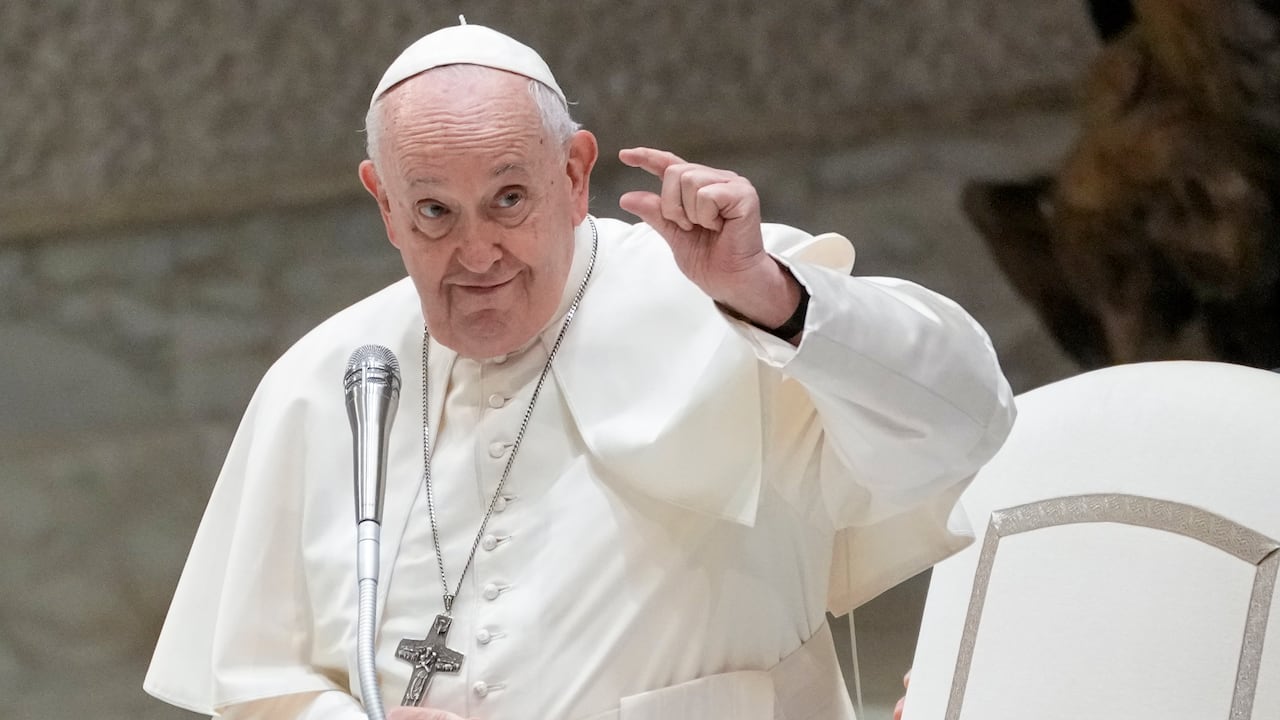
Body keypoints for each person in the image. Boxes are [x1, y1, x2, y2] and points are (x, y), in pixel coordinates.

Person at [144, 21, 1015, 720]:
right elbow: (257, 682)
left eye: (509, 200)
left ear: (573, 172)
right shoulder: (325, 380)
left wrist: (769, 295)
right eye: (435, 212)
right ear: (384, 204)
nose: (476, 250)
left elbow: (967, 418)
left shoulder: (733, 302)